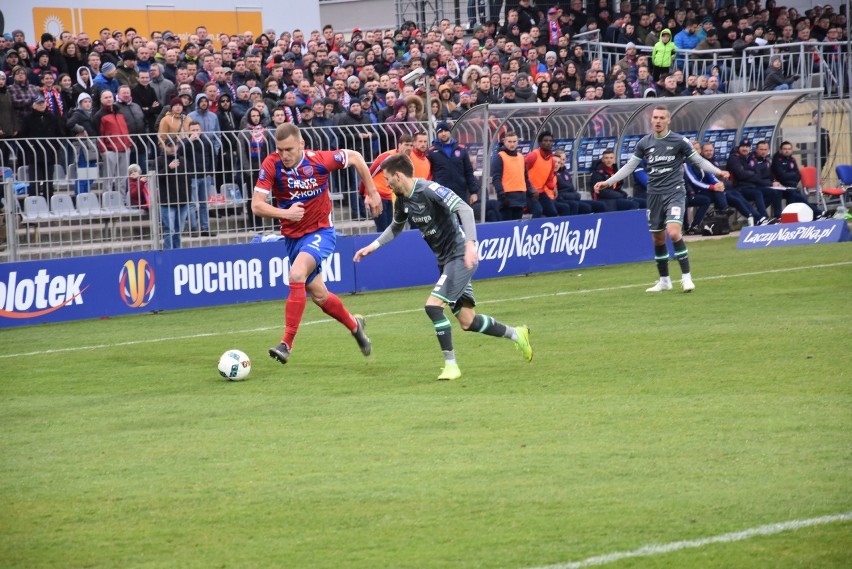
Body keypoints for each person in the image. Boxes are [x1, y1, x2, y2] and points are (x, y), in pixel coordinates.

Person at [353, 153, 532, 381]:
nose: (386, 184)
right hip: (446, 262)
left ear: (398, 176)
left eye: (388, 178)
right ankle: (518, 334)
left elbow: (465, 210)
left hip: (460, 256)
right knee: (468, 321)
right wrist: (373, 245)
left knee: (432, 307)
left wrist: (471, 244)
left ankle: (451, 366)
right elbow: (396, 227)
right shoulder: (403, 200)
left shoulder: (429, 190)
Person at [252, 123, 382, 365]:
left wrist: (372, 191)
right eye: (280, 150)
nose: (284, 155)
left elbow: (355, 157)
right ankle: (355, 326)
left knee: (296, 274)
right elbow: (256, 205)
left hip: (321, 232)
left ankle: (286, 344)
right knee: (320, 296)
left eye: (289, 149)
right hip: (293, 238)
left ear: (301, 144)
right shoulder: (272, 164)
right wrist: (285, 214)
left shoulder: (320, 160)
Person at [594, 106, 730, 293]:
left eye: (661, 118)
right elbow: (630, 166)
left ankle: (686, 278)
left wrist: (718, 171)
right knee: (658, 239)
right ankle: (664, 280)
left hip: (674, 192)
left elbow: (698, 161)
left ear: (668, 120)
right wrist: (608, 182)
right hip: (654, 195)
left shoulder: (678, 141)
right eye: (655, 118)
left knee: (673, 232)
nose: (657, 121)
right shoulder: (644, 143)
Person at [360, 134, 414, 232]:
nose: (409, 148)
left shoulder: (407, 161)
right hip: (378, 196)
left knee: (390, 230)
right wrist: (365, 193)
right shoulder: (388, 157)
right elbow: (369, 173)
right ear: (399, 145)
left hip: (391, 197)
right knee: (382, 230)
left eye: (411, 145)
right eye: (406, 145)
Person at [427, 121, 477, 207]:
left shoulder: (461, 149)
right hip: (441, 193)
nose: (443, 134)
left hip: (460, 192)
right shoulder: (431, 152)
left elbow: (468, 171)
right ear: (437, 134)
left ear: (450, 132)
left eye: (446, 131)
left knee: (461, 218)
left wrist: (473, 192)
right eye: (440, 132)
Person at [771, 140, 825, 219]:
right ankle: (817, 213)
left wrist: (790, 177)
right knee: (797, 196)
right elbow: (781, 176)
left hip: (791, 186)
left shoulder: (792, 160)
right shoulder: (777, 160)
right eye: (785, 149)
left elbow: (798, 175)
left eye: (789, 149)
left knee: (799, 197)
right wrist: (791, 176)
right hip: (780, 188)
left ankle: (817, 213)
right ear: (780, 150)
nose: (787, 151)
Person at [491, 131, 536, 220]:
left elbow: (525, 177)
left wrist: (530, 192)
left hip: (520, 196)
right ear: (504, 142)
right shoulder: (499, 156)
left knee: (517, 225)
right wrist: (501, 195)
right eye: (510, 142)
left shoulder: (520, 157)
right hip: (507, 196)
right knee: (507, 226)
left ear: (517, 142)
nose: (512, 144)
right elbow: (496, 178)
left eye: (514, 141)